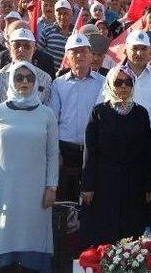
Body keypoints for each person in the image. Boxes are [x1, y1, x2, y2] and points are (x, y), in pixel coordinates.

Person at [0, 61, 59, 273]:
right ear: (11, 80)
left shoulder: (46, 114)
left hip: (35, 190)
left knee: (31, 233)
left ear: (36, 82)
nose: (24, 82)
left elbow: (52, 154)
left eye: (29, 78)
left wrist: (51, 187)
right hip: (3, 189)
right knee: (0, 233)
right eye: (19, 77)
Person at [80, 66, 151, 247]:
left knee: (131, 232)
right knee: (106, 229)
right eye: (118, 82)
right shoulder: (99, 112)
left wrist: (148, 184)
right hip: (105, 181)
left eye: (128, 82)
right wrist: (88, 185)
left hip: (133, 182)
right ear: (110, 85)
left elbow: (147, 151)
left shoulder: (141, 113)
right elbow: (90, 151)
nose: (123, 87)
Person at [50, 34, 105, 200]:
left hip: (95, 150)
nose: (80, 56)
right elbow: (53, 120)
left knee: (93, 201)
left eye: (84, 51)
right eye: (74, 52)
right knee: (66, 201)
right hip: (66, 151)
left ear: (90, 55)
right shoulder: (58, 84)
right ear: (67, 56)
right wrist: (56, 151)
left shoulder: (103, 82)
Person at [0, 28, 53, 107]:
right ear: (9, 48)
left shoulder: (45, 78)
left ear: (34, 49)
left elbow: (46, 110)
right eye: (17, 45)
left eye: (27, 46)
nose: (21, 49)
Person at [38, 0, 73, 69]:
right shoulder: (47, 30)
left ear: (71, 14)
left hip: (66, 75)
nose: (63, 17)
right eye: (59, 14)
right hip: (48, 72)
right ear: (55, 15)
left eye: (65, 13)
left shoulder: (75, 32)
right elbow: (38, 52)